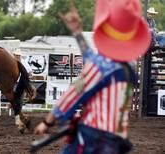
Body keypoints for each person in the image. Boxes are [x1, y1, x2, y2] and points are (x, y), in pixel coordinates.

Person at [34, 0, 151, 153]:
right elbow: (94, 63)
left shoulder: (100, 67)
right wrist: (78, 33)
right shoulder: (128, 66)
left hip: (93, 137)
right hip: (117, 139)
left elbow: (73, 94)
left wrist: (47, 122)